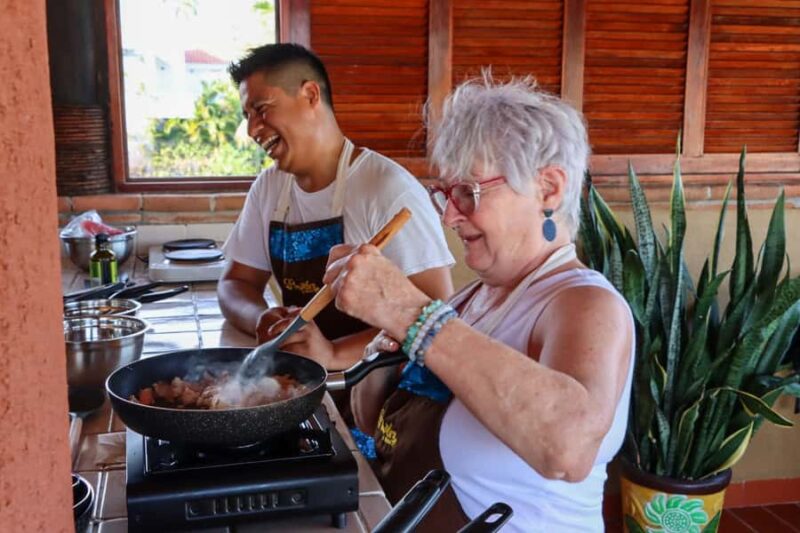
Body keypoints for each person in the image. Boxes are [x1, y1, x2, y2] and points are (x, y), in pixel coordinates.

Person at [323, 76, 635, 532]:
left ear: (548, 189)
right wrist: (382, 349)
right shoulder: (470, 300)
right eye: (446, 194)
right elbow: (382, 432)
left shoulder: (585, 303)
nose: (449, 216)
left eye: (469, 193)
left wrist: (411, 313)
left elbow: (569, 448)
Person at [219, 44, 454, 370]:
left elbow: (438, 311)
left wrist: (333, 354)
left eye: (261, 109)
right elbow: (235, 283)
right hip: (307, 379)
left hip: (377, 387)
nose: (252, 129)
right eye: (247, 116)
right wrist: (262, 318)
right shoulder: (269, 188)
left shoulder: (387, 189)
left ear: (311, 94)